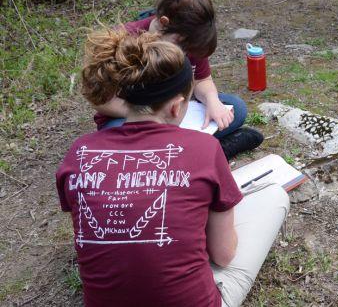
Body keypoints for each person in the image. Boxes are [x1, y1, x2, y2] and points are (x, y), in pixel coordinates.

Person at [56, 29, 289, 306]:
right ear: (178, 107)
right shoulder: (204, 148)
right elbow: (224, 254)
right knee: (274, 195)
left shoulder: (79, 153)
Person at [91, 0, 262, 159]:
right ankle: (209, 151)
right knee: (123, 142)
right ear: (164, 23)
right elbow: (101, 100)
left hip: (176, 113)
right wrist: (150, 116)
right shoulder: (123, 41)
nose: (184, 54)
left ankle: (191, 153)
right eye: (183, 48)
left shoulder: (192, 38)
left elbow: (202, 80)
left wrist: (212, 101)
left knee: (237, 109)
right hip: (129, 119)